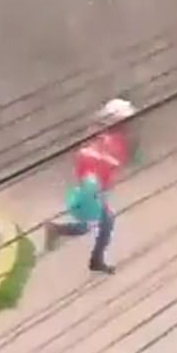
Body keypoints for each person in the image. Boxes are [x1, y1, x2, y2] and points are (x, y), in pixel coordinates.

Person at [44, 98, 138, 275]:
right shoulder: (103, 137)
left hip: (95, 186)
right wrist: (93, 184)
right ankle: (58, 231)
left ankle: (93, 257)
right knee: (95, 223)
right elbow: (90, 158)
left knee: (103, 222)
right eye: (125, 120)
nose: (128, 124)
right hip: (91, 188)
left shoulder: (109, 136)